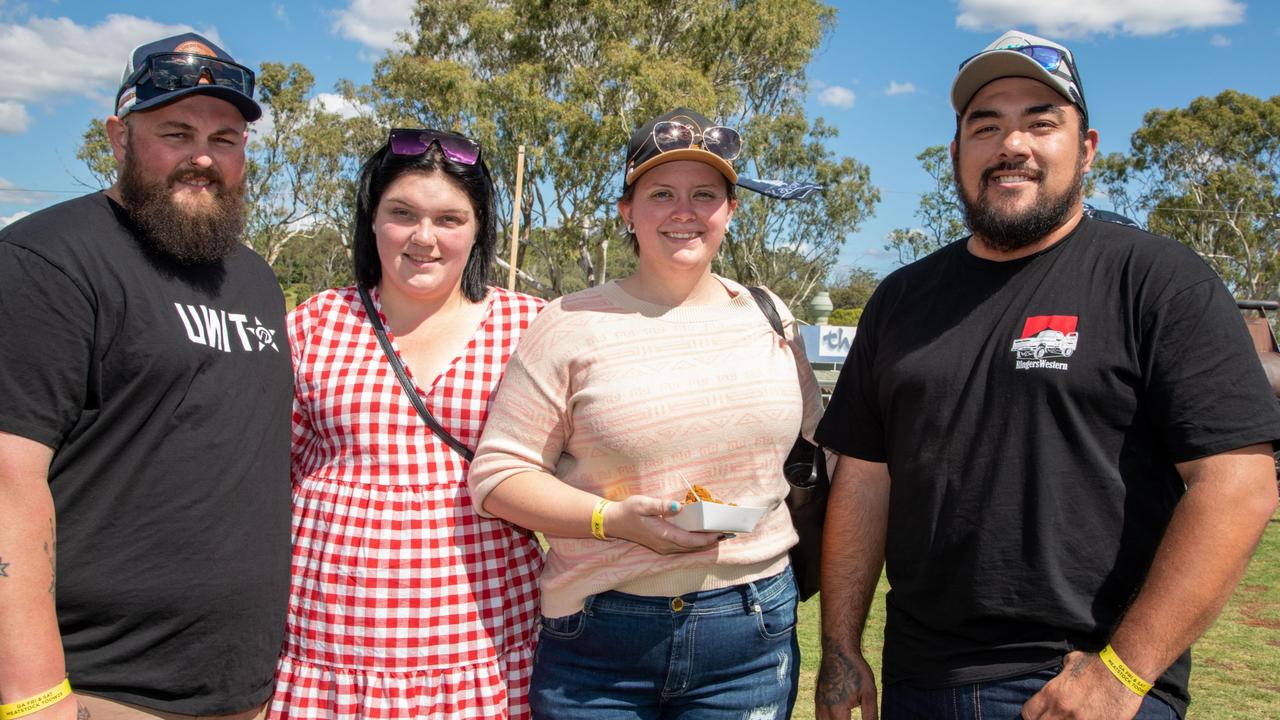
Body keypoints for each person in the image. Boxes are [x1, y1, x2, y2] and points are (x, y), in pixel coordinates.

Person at [813, 29, 1280, 720]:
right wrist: (841, 646)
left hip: (1085, 684)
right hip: (920, 683)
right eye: (987, 126)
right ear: (956, 153)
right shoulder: (901, 299)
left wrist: (1123, 674)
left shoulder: (1156, 280)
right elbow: (864, 480)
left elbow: (1238, 484)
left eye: (1042, 123)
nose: (1013, 145)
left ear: (1086, 149)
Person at [467, 108, 825, 719]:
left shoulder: (771, 316)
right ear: (626, 212)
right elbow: (499, 478)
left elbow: (816, 448)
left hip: (752, 632)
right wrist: (614, 519)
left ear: (730, 213)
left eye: (704, 195)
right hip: (600, 640)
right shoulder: (567, 323)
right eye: (661, 194)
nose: (684, 211)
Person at [0, 33, 292, 719]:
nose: (203, 157)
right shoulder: (47, 260)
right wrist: (34, 695)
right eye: (176, 132)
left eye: (225, 139)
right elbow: (9, 480)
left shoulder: (253, 278)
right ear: (118, 137)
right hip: (98, 688)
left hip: (239, 690)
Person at [268, 128, 545, 719]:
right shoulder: (315, 324)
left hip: (482, 646)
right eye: (403, 214)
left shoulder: (533, 328)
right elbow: (265, 478)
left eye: (449, 218)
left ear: (478, 229)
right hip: (331, 650)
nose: (425, 238)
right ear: (372, 221)